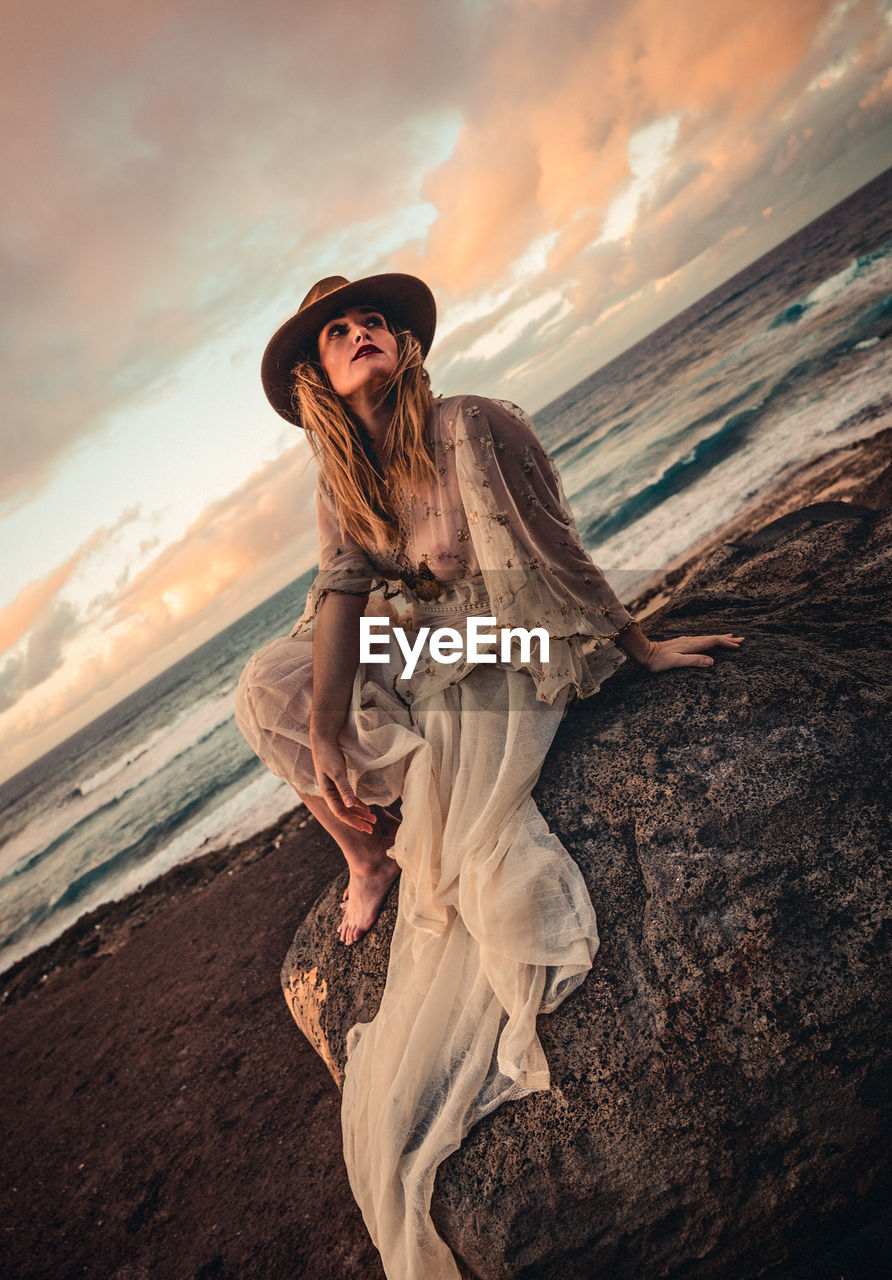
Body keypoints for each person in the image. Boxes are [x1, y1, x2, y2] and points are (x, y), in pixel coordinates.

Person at [235, 273, 743, 1279]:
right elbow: (341, 595)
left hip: (505, 638)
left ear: (402, 344)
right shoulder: (343, 478)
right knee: (266, 686)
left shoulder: (467, 425)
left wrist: (638, 647)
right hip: (424, 644)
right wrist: (328, 721)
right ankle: (365, 856)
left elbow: (553, 544)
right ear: (319, 382)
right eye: (336, 333)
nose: (360, 332)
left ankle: (415, 805)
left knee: (451, 805)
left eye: (371, 319)